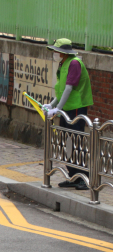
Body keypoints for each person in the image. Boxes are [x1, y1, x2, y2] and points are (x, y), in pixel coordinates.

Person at [43, 38, 93, 191]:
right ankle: (73, 176)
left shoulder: (74, 63)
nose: (56, 52)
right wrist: (52, 105)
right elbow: (62, 89)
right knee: (67, 141)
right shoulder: (64, 63)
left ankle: (84, 178)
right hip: (66, 107)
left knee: (76, 141)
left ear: (64, 51)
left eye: (57, 50)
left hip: (76, 107)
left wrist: (57, 108)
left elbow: (69, 88)